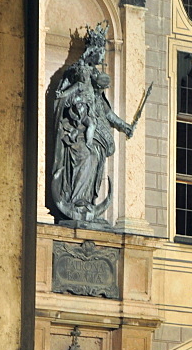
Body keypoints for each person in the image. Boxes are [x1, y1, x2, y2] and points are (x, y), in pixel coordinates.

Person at [50, 23, 134, 226]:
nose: (102, 58)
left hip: (94, 136)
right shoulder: (76, 74)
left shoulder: (97, 92)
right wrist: (70, 103)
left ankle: (86, 201)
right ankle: (76, 199)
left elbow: (108, 114)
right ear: (93, 51)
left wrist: (125, 126)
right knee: (85, 154)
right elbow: (62, 100)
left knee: (95, 156)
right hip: (75, 132)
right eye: (100, 52)